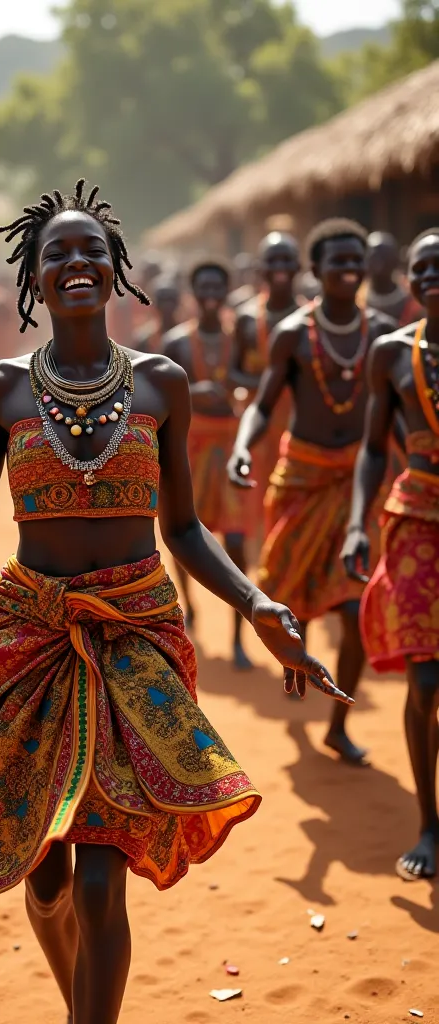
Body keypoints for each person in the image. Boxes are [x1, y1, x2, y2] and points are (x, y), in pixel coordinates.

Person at [0, 179, 346, 1024]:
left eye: (91, 251)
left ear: (115, 272)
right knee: (49, 880)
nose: (76, 263)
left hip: (136, 634)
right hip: (28, 635)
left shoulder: (162, 383)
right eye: (56, 252)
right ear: (33, 273)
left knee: (102, 879)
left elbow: (183, 527)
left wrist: (257, 605)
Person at [228, 219, 396, 763]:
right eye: (337, 261)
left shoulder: (384, 335)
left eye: (356, 260)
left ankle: (339, 723)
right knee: (287, 596)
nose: (349, 269)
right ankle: (294, 664)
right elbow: (263, 401)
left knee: (355, 609)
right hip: (301, 478)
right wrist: (244, 445)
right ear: (317, 270)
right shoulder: (294, 334)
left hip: (359, 483)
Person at [342, 229, 439, 880]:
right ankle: (430, 824)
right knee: (425, 682)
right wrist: (355, 524)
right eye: (422, 268)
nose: (432, 276)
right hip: (416, 521)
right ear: (407, 280)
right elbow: (374, 447)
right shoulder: (389, 354)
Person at [164, 259, 254, 668]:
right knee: (185, 534)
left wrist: (234, 382)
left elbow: (264, 379)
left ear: (227, 288)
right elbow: (160, 396)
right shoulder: (176, 343)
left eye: (218, 285)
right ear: (194, 292)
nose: (211, 293)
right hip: (191, 447)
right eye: (204, 286)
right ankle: (191, 609)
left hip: (232, 446)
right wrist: (192, 390)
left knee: (235, 543)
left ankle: (239, 635)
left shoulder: (243, 336)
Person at [231, 233, 301, 505]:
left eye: (287, 259)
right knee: (255, 501)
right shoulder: (246, 317)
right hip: (257, 427)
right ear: (261, 269)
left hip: (297, 429)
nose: (280, 267)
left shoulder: (310, 320)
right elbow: (232, 373)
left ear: (299, 266)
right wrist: (267, 383)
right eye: (273, 260)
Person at [365, 231, 423, 328]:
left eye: (384, 255)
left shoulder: (414, 298)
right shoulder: (356, 299)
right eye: (372, 255)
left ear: (396, 260)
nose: (377, 260)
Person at [130, 274, 180, 353]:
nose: (166, 306)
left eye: (170, 300)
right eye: (162, 300)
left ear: (178, 303)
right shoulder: (144, 340)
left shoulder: (187, 338)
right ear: (155, 304)